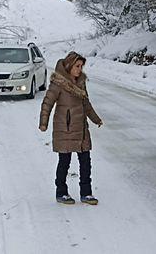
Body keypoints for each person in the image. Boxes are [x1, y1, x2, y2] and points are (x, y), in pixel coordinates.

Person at [39, 51, 103, 205]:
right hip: (65, 129)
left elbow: (86, 104)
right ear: (69, 66)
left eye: (81, 66)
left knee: (86, 162)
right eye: (77, 66)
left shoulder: (81, 82)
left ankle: (86, 193)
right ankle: (61, 192)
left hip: (81, 130)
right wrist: (43, 123)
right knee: (64, 162)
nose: (80, 69)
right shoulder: (58, 83)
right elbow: (47, 103)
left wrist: (95, 119)